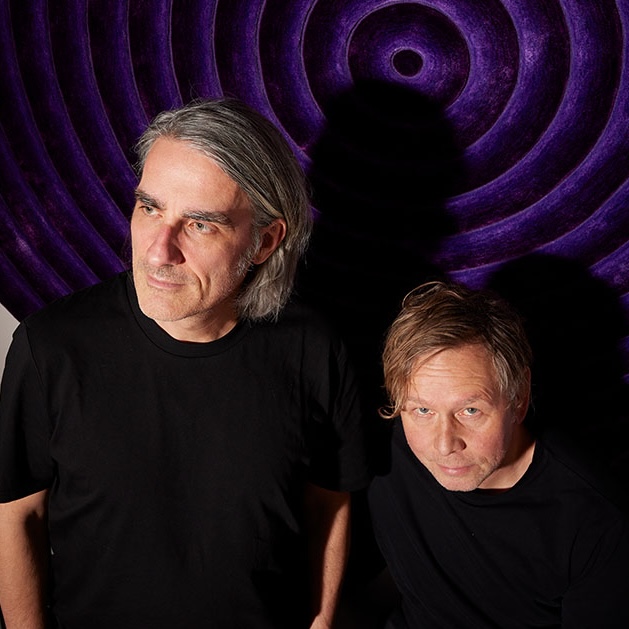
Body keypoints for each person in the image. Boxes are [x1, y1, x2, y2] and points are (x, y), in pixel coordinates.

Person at [0, 98, 370, 629]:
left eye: (200, 224)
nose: (158, 251)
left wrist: (321, 624)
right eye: (150, 208)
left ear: (264, 242)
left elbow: (329, 505)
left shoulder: (314, 348)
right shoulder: (49, 347)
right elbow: (16, 513)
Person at [368, 281, 629, 628]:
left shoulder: (595, 524)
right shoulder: (385, 451)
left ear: (518, 397)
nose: (444, 445)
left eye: (470, 411)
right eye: (423, 410)